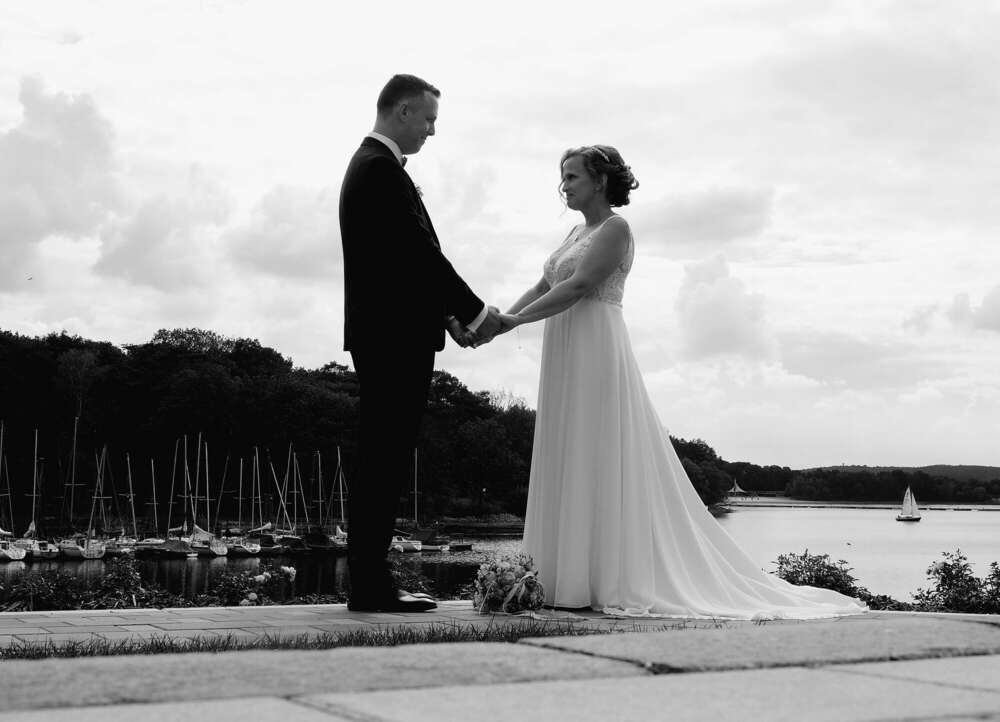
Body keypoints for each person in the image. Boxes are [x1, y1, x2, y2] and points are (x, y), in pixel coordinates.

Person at [497, 145, 866, 619]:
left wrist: (511, 322)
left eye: (571, 176)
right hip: (564, 343)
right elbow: (546, 284)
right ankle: (559, 576)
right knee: (566, 446)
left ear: (600, 180)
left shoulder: (616, 229)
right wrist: (500, 318)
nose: (563, 186)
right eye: (562, 177)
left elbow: (579, 287)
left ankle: (598, 578)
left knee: (595, 446)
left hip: (594, 345)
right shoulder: (574, 231)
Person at [339, 74, 502, 612]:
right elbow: (417, 255)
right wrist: (475, 311)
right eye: (429, 119)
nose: (432, 131)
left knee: (384, 455)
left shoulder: (376, 168)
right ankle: (369, 586)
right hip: (392, 335)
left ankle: (369, 581)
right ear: (403, 111)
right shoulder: (379, 170)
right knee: (384, 458)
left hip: (392, 330)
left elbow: (402, 264)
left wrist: (449, 314)